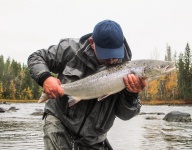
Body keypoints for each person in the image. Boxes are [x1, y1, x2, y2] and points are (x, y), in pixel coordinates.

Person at [28, 19, 146, 150]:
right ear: (92, 43)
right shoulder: (70, 49)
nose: (112, 60)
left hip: (94, 138)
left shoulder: (128, 71)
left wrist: (131, 95)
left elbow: (125, 116)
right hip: (59, 123)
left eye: (115, 55)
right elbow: (36, 57)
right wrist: (45, 78)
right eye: (106, 56)